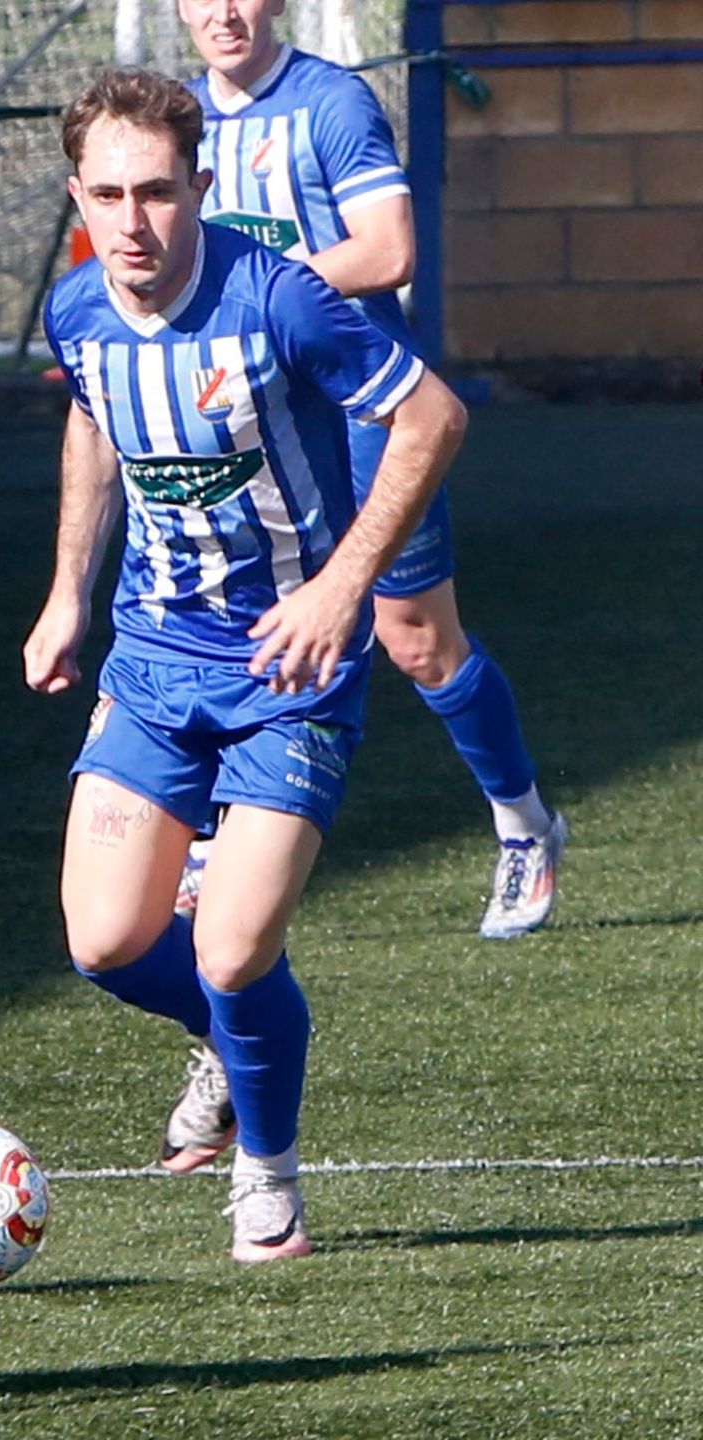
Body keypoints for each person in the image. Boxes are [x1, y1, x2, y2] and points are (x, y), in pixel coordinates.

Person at [26, 68, 468, 1259]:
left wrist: (342, 587)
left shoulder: (279, 300)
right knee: (105, 943)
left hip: (288, 668)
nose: (132, 221)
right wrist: (68, 592)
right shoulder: (77, 312)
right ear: (77, 196)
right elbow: (91, 420)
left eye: (157, 192)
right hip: (154, 662)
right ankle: (227, 1041)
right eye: (108, 195)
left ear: (200, 186)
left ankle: (267, 1173)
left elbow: (432, 417)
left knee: (229, 948)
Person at [177, 0, 565, 941]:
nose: (222, 11)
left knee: (417, 638)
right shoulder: (175, 121)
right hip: (245, 419)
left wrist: (260, 295)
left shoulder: (331, 101)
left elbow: (389, 251)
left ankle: (524, 823)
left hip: (364, 411)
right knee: (236, 617)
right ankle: (214, 832)